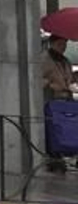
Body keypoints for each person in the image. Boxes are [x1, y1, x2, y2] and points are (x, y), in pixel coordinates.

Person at [43, 35, 76, 171]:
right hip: (53, 101)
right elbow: (37, 78)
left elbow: (70, 79)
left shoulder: (65, 61)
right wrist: (51, 84)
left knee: (70, 129)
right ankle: (55, 158)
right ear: (53, 43)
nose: (64, 47)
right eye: (61, 44)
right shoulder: (44, 59)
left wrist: (72, 82)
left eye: (65, 44)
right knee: (55, 130)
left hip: (67, 99)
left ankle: (69, 153)